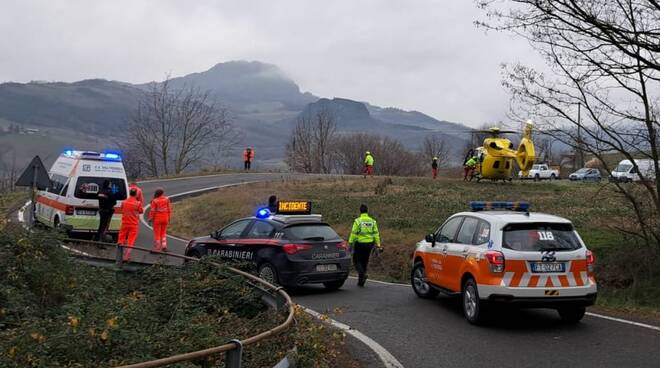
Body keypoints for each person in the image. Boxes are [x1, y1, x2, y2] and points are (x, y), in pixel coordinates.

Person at [348, 204, 382, 287]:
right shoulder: (372, 221)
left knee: (356, 260)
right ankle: (361, 282)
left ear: (360, 211)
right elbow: (376, 234)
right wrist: (378, 244)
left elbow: (354, 233)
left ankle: (362, 275)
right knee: (364, 261)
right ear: (367, 211)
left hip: (360, 244)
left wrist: (350, 243)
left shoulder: (358, 221)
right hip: (369, 244)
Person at [118, 188, 144, 262]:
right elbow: (141, 211)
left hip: (125, 223)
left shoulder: (124, 202)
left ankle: (119, 254)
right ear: (136, 194)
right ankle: (126, 256)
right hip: (133, 224)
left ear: (129, 194)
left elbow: (121, 208)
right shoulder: (138, 203)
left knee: (121, 239)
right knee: (131, 240)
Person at [148, 188, 171, 252]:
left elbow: (152, 211)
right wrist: (169, 218)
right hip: (165, 218)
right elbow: (169, 210)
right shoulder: (167, 199)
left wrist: (150, 219)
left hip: (157, 219)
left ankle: (157, 248)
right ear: (162, 193)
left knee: (157, 234)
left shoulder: (155, 201)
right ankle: (164, 246)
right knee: (163, 233)